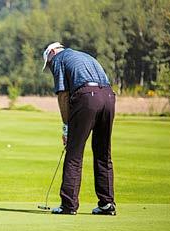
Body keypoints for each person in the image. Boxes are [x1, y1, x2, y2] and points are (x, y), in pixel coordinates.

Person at [42, 42, 116, 215]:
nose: (50, 66)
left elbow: (63, 94)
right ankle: (107, 204)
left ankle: (68, 205)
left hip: (87, 98)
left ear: (52, 52)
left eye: (49, 62)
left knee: (74, 153)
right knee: (103, 153)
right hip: (109, 97)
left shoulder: (59, 59)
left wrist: (66, 127)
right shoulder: (83, 56)